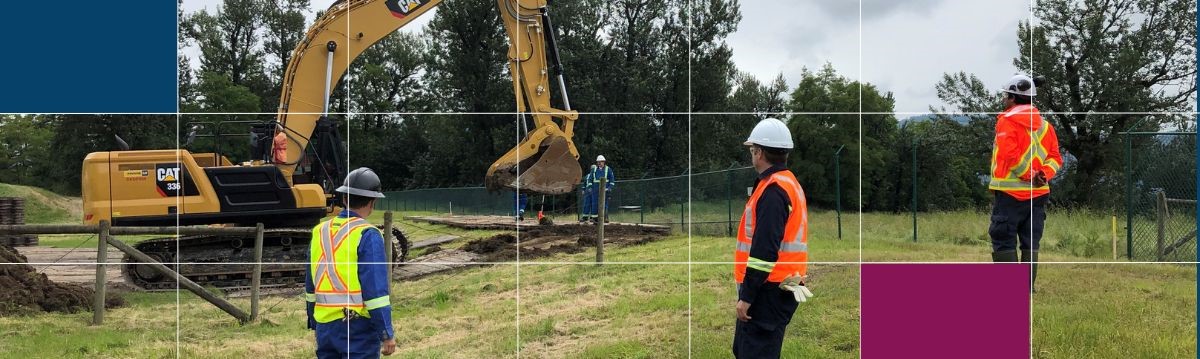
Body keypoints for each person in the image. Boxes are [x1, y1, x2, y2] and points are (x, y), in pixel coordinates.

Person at [732, 118, 812, 359]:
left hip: (768, 291)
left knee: (755, 352)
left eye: (752, 150)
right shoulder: (788, 183)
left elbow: (765, 251)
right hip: (781, 286)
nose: (751, 154)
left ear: (759, 152)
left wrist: (747, 296)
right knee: (749, 349)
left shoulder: (773, 191)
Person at [305, 167, 396, 358]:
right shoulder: (367, 234)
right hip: (356, 328)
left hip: (325, 326)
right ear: (373, 202)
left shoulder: (319, 231)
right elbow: (375, 292)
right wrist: (386, 333)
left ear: (344, 198)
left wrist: (314, 321)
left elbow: (310, 284)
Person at [987, 74, 1062, 293]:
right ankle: (1026, 288)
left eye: (1005, 96)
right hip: (1038, 195)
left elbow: (1010, 155)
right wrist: (1043, 175)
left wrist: (1028, 175)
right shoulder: (1046, 127)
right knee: (1031, 241)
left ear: (1012, 97)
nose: (1004, 100)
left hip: (1010, 193)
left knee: (1003, 238)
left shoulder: (1006, 121)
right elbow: (1056, 158)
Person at [581, 155, 615, 223]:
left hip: (605, 190)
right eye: (598, 162)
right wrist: (590, 187)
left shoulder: (608, 169)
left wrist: (609, 188)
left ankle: (604, 218)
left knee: (604, 204)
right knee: (594, 204)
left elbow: (612, 180)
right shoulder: (594, 170)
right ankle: (595, 219)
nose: (599, 163)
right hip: (595, 190)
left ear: (604, 162)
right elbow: (590, 179)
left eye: (601, 162)